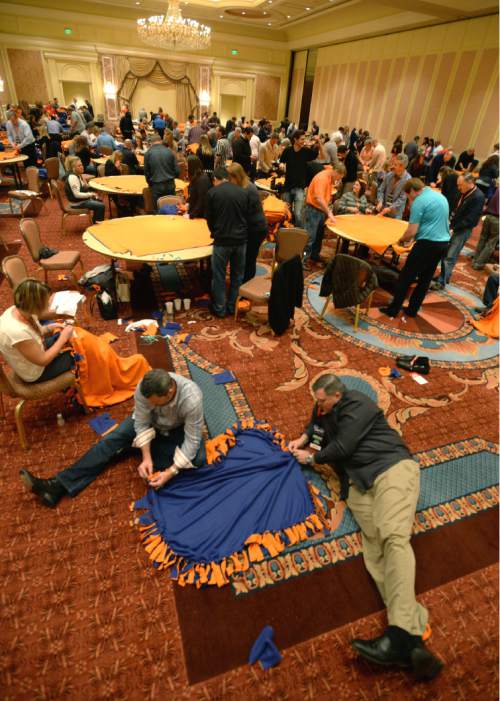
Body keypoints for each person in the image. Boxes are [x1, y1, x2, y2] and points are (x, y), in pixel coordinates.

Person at [288, 374, 443, 682]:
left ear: (336, 396)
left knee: (393, 536)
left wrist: (312, 456)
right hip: (357, 486)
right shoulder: (322, 408)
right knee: (374, 553)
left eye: (321, 401)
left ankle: (399, 632)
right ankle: (411, 639)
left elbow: (343, 447)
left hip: (390, 469)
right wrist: (303, 440)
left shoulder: (359, 405)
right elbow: (314, 428)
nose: (316, 406)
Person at [20, 369, 205, 508]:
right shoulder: (144, 388)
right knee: (111, 440)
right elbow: (141, 421)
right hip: (151, 427)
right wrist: (146, 457)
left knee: (198, 459)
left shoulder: (191, 398)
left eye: (154, 403)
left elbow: (193, 440)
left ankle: (130, 448)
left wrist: (170, 472)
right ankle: (56, 485)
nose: (150, 405)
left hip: (176, 431)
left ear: (170, 392)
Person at [380, 178, 450, 318]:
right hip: (443, 243)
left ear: (412, 191)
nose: (408, 198)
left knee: (405, 277)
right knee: (425, 279)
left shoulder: (419, 201)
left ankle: (393, 309)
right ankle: (412, 310)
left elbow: (411, 230)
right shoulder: (439, 195)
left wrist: (400, 240)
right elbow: (432, 222)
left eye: (408, 195)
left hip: (427, 244)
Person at [0, 278, 75, 384]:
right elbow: (43, 360)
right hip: (36, 372)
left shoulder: (21, 309)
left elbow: (34, 332)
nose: (48, 305)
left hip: (37, 350)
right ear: (35, 305)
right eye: (46, 302)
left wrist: (52, 327)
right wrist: (63, 338)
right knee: (82, 355)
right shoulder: (17, 332)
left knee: (71, 341)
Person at [206, 166, 249, 318]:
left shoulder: (212, 193)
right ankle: (232, 307)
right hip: (241, 240)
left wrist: (215, 232)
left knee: (219, 276)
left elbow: (209, 220)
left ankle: (220, 309)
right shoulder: (243, 192)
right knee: (237, 276)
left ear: (215, 179)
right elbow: (247, 217)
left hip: (222, 241)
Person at [434, 173, 485, 288]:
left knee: (450, 256)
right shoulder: (462, 192)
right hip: (452, 226)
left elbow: (471, 219)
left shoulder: (478, 197)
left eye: (460, 185)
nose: (458, 187)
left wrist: (454, 228)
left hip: (462, 230)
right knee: (445, 253)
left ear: (469, 183)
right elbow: (454, 206)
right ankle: (444, 276)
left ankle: (441, 282)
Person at [228, 162, 267, 282]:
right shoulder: (245, 185)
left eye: (230, 178)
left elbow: (239, 213)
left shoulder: (246, 189)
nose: (229, 181)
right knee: (246, 258)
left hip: (256, 229)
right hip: (252, 226)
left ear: (236, 176)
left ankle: (246, 286)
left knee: (249, 258)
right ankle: (243, 282)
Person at [303, 164, 345, 265]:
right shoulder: (322, 178)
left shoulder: (330, 177)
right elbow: (319, 198)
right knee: (310, 237)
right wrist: (329, 213)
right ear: (336, 172)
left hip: (321, 210)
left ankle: (314, 255)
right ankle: (303, 260)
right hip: (313, 210)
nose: (338, 180)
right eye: (339, 177)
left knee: (318, 236)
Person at [280, 130, 322, 227]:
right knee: (287, 214)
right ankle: (286, 234)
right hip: (287, 187)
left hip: (299, 187)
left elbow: (321, 156)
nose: (304, 141)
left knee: (298, 214)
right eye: (302, 139)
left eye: (304, 139)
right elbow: (281, 162)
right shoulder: (288, 151)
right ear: (295, 139)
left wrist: (319, 142)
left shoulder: (306, 151)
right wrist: (281, 164)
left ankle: (299, 235)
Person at [144, 135, 180, 211]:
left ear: (151, 143)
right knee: (172, 210)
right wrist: (172, 177)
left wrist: (150, 184)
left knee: (157, 211)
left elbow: (146, 172)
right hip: (170, 184)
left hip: (156, 185)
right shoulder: (170, 152)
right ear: (161, 141)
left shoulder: (148, 153)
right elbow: (177, 171)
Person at [64, 158, 105, 223]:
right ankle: (97, 225)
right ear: (73, 168)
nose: (82, 167)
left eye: (82, 165)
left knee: (99, 200)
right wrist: (90, 194)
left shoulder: (77, 174)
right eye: (79, 166)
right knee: (100, 206)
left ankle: (96, 221)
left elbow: (84, 186)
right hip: (76, 203)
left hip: (80, 201)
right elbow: (77, 195)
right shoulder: (72, 177)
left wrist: (94, 185)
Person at [376, 153, 411, 219]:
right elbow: (381, 190)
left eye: (395, 165)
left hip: (396, 214)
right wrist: (380, 201)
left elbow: (402, 199)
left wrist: (390, 208)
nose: (393, 166)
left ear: (402, 166)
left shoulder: (408, 180)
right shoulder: (389, 175)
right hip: (383, 211)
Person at [472, 186, 499, 270]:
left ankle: (475, 260)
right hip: (497, 219)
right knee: (491, 243)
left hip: (488, 216)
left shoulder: (498, 189)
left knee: (483, 239)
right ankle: (478, 264)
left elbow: (489, 200)